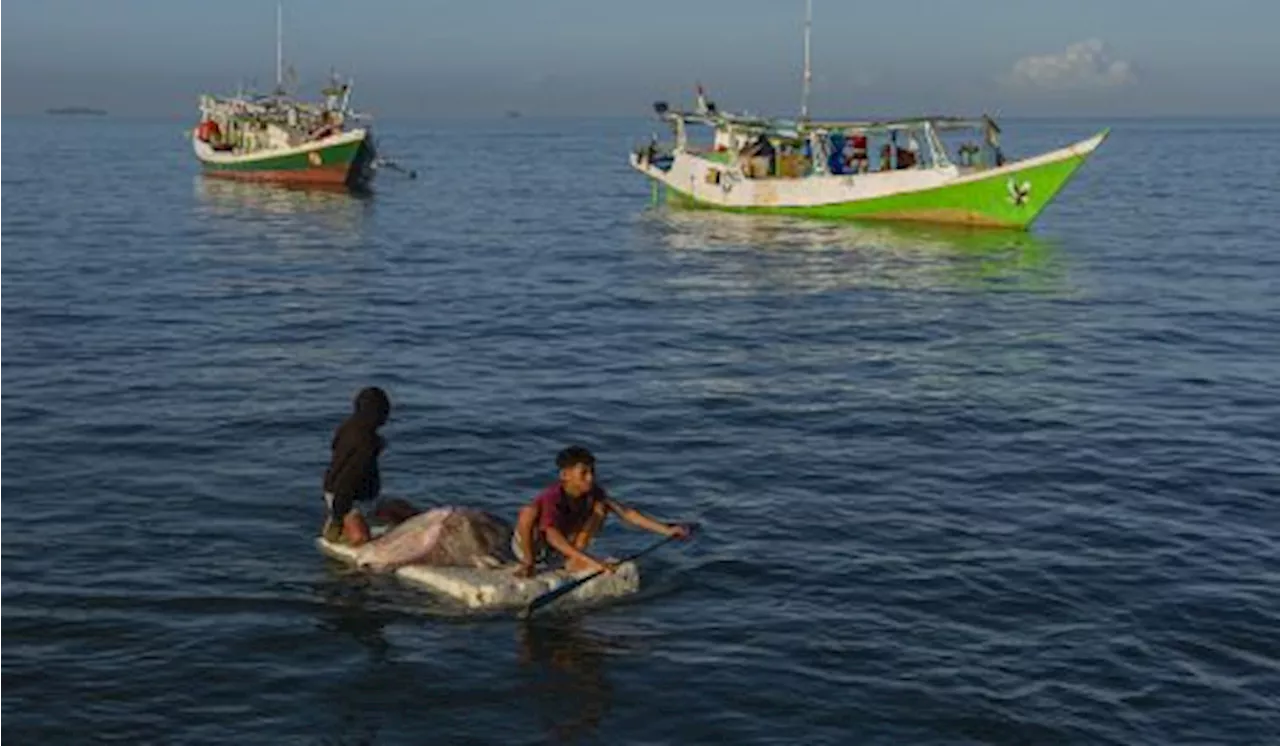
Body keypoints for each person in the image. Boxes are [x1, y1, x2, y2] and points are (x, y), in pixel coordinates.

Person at [512, 445, 690, 578]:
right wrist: (593, 563)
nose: (590, 478)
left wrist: (667, 530)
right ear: (565, 475)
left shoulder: (593, 492)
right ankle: (528, 564)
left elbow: (627, 513)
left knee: (603, 506)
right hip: (536, 546)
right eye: (583, 473)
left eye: (592, 472)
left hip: (564, 547)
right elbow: (551, 535)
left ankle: (574, 559)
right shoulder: (553, 497)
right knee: (528, 512)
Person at [321, 386, 392, 545]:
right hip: (348, 501)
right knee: (361, 539)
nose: (387, 416)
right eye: (384, 411)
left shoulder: (348, 427)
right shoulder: (365, 444)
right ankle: (342, 526)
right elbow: (345, 483)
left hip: (353, 496)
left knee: (402, 509)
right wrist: (339, 518)